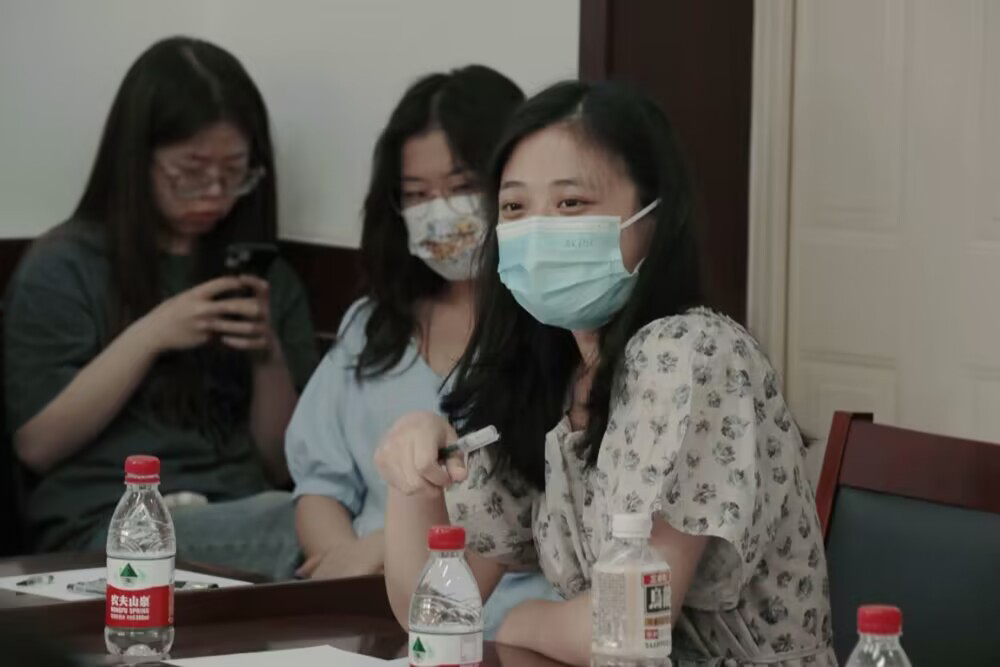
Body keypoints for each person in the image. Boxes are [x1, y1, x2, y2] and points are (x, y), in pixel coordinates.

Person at [374, 81, 837, 666]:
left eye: (570, 204)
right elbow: (431, 611)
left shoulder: (690, 353)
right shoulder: (549, 375)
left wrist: (520, 621)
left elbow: (631, 626)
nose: (538, 231)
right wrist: (411, 474)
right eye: (515, 208)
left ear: (655, 217)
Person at [3, 37, 318, 578]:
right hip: (108, 525)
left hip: (240, 506)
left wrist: (267, 354)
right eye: (191, 171)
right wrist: (152, 334)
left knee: (325, 517)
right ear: (136, 160)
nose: (214, 192)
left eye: (235, 172)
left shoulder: (263, 276)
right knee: (307, 529)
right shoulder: (65, 266)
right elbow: (38, 444)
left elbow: (285, 463)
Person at [285, 65, 556, 635]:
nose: (440, 210)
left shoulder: (553, 328)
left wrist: (387, 546)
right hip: (365, 610)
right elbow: (320, 488)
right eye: (416, 195)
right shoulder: (372, 327)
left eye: (461, 187)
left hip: (505, 621)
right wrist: (350, 566)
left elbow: (535, 516)